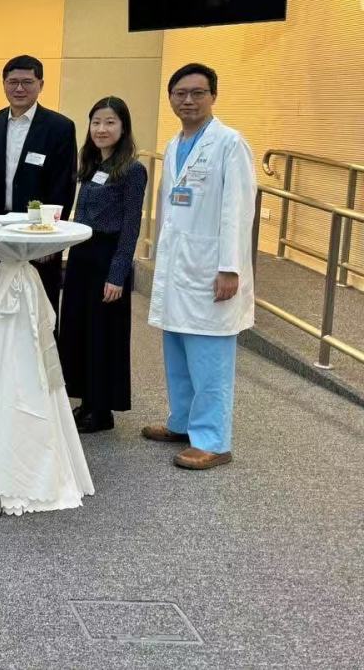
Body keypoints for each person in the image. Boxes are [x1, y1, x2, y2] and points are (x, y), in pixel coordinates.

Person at [144, 64, 255, 470]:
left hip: (211, 268)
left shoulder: (230, 144)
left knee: (209, 358)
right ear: (171, 98)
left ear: (213, 96)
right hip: (178, 265)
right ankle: (182, 422)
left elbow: (237, 210)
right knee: (177, 351)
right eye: (180, 94)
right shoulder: (175, 143)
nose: (188, 101)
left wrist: (230, 267)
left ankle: (213, 440)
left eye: (197, 93)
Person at [59, 97, 148, 433]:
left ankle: (102, 410)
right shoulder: (92, 164)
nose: (101, 129)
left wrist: (118, 274)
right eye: (96, 122)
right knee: (79, 329)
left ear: (123, 127)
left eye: (110, 122)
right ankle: (87, 400)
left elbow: (131, 227)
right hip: (81, 257)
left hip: (107, 259)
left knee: (103, 334)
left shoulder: (133, 170)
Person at [0, 55, 77, 312]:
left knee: (40, 307)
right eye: (13, 82)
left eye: (27, 82)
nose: (19, 89)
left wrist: (50, 238)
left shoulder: (60, 127)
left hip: (38, 233)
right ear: (4, 84)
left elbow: (63, 186)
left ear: (41, 84)